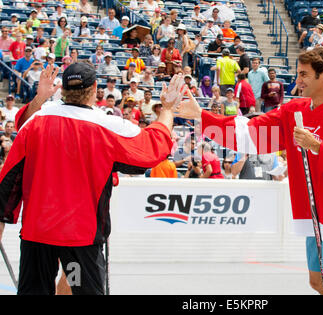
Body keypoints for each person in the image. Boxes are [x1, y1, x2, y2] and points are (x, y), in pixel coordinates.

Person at [175, 47, 323, 295]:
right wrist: (202, 116)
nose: (297, 80)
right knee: (317, 283)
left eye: (304, 74)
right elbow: (249, 134)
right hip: (314, 215)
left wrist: (317, 146)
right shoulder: (293, 112)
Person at [0, 65, 188, 295]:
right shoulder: (108, 125)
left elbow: (8, 178)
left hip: (37, 234)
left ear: (64, 89)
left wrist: (40, 98)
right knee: (80, 285)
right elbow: (153, 149)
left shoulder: (37, 121)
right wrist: (167, 110)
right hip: (80, 237)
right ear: (95, 89)